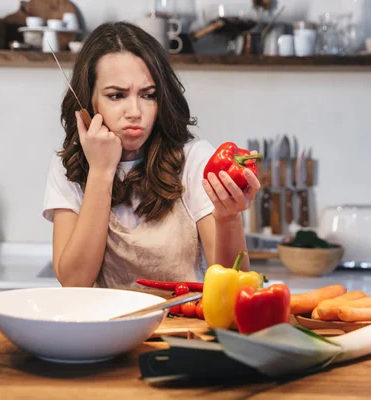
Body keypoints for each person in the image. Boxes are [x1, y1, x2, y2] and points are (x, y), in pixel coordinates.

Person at [42, 21, 261, 288]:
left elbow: (234, 285)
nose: (135, 111)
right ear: (89, 100)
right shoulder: (68, 166)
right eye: (116, 96)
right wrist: (100, 171)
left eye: (148, 95)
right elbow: (74, 283)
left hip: (182, 327)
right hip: (104, 328)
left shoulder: (193, 159)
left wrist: (229, 218)